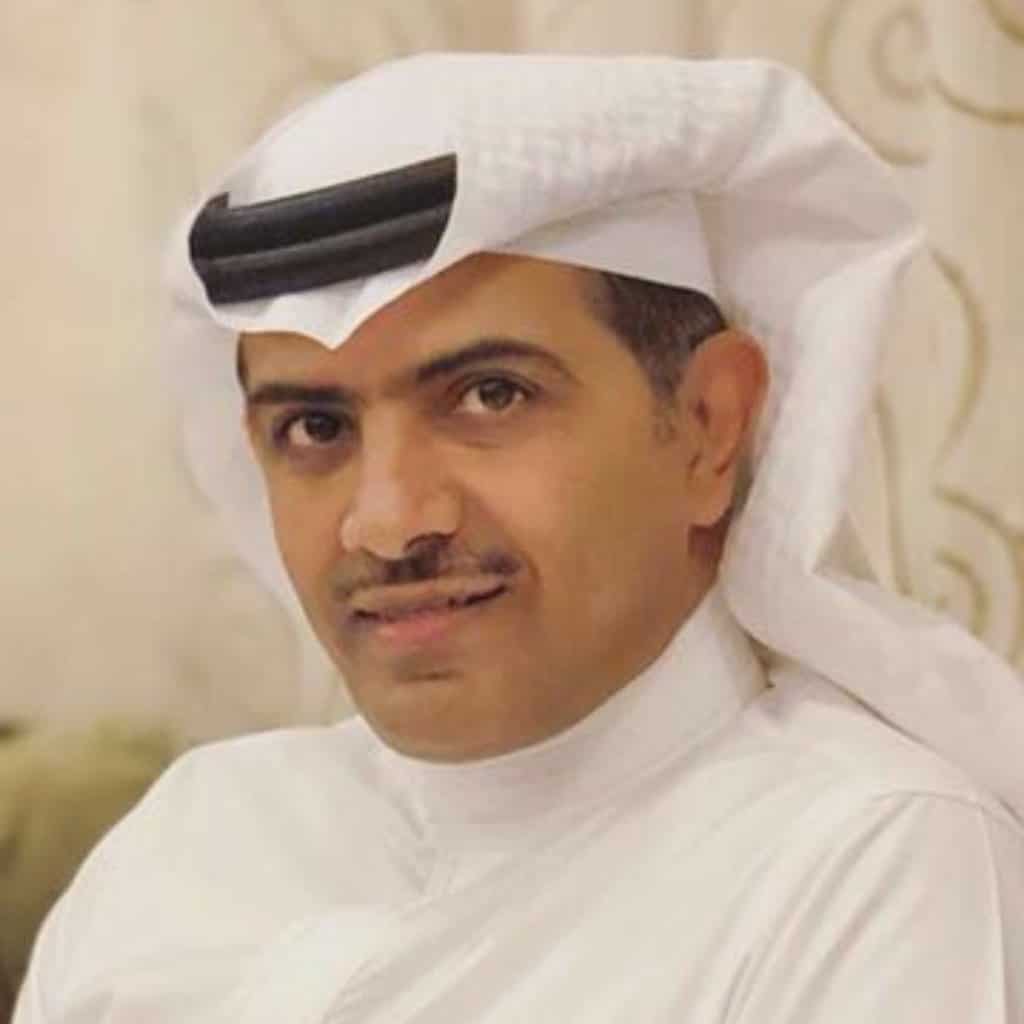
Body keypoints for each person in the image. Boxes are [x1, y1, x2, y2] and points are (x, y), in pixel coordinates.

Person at [15, 54, 1024, 1022]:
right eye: (315, 428)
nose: (389, 522)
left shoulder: (859, 861)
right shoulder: (190, 836)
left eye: (490, 396)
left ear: (710, 425)